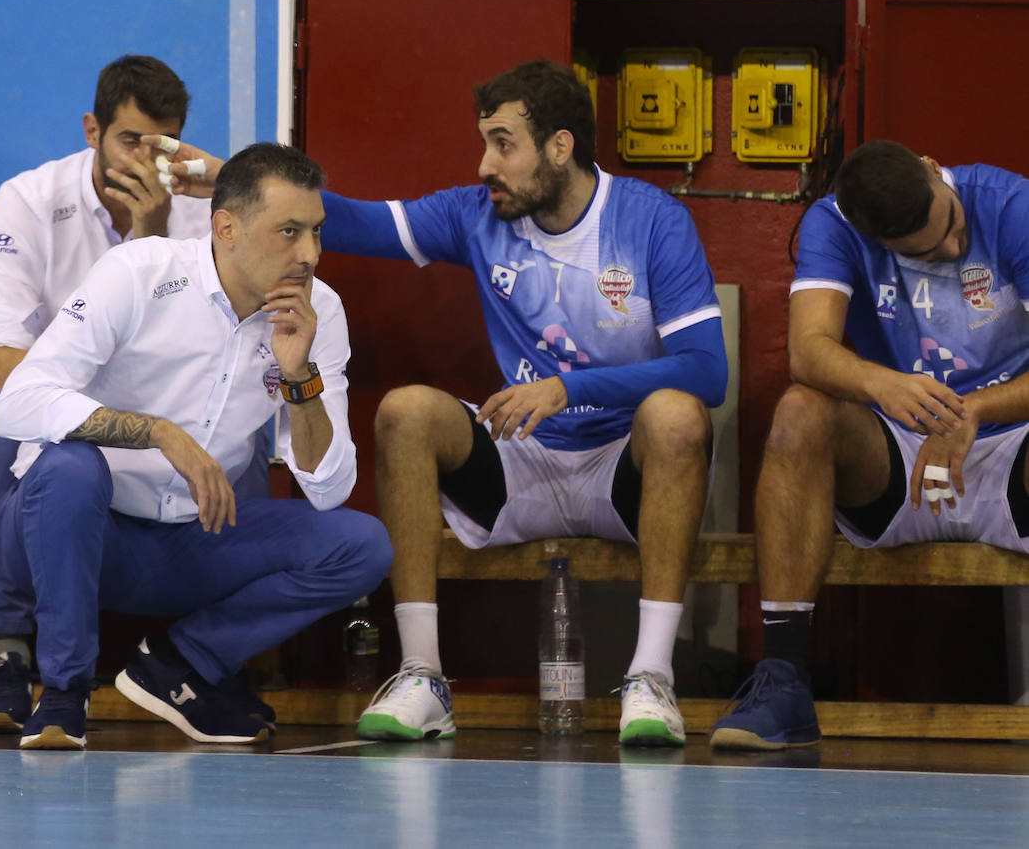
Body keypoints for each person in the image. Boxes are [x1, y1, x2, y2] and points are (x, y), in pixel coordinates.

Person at [163, 61, 728, 744]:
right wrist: (238, 182)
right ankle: (422, 674)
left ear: (559, 146)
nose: (485, 163)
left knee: (678, 415)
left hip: (621, 472)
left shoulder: (650, 220)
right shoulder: (476, 213)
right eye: (484, 141)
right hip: (523, 464)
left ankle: (651, 676)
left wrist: (567, 388)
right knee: (406, 411)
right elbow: (358, 223)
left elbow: (707, 372)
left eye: (503, 143)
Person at [0, 142, 392, 750]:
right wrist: (157, 431)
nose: (308, 255)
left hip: (187, 546)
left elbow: (329, 488)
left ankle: (180, 664)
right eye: (288, 232)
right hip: (65, 533)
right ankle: (64, 694)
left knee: (361, 546)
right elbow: (18, 402)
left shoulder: (320, 312)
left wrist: (300, 378)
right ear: (226, 228)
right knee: (71, 467)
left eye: (315, 232)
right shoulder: (139, 272)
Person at [0, 55, 270, 734]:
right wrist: (78, 385)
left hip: (175, 411)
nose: (146, 162)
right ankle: (5, 654)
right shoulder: (29, 200)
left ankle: (213, 658)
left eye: (163, 145)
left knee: (256, 417)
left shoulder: (208, 216)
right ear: (91, 131)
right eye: (130, 140)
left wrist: (154, 234)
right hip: (63, 417)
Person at [711, 141, 1029, 750]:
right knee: (801, 410)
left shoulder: (1011, 206)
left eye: (953, 228)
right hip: (901, 456)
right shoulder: (832, 223)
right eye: (930, 252)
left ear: (935, 170)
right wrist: (885, 384)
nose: (954, 250)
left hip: (1007, 441)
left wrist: (975, 410)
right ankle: (782, 683)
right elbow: (808, 349)